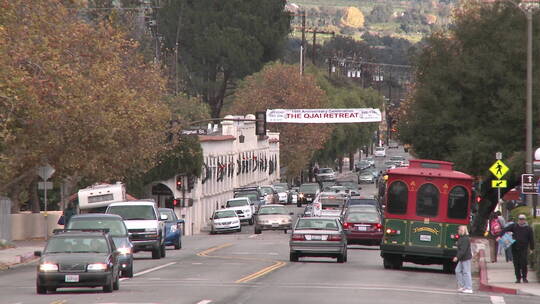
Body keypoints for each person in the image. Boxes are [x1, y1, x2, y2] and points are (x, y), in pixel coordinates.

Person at [503, 214, 534, 283]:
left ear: (525, 220)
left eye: (523, 219)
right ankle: (518, 278)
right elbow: (505, 229)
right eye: (520, 219)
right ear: (518, 220)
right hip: (515, 247)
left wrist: (532, 248)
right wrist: (500, 236)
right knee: (516, 263)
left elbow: (531, 239)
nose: (521, 221)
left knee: (523, 263)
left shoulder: (528, 228)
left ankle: (524, 277)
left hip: (524, 248)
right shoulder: (514, 226)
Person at [453, 225, 473, 293]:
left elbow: (463, 250)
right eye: (458, 230)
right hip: (462, 258)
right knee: (457, 271)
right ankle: (463, 286)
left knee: (466, 272)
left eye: (459, 230)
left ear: (463, 231)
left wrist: (457, 257)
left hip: (466, 258)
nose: (458, 231)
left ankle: (469, 288)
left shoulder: (465, 239)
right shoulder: (462, 237)